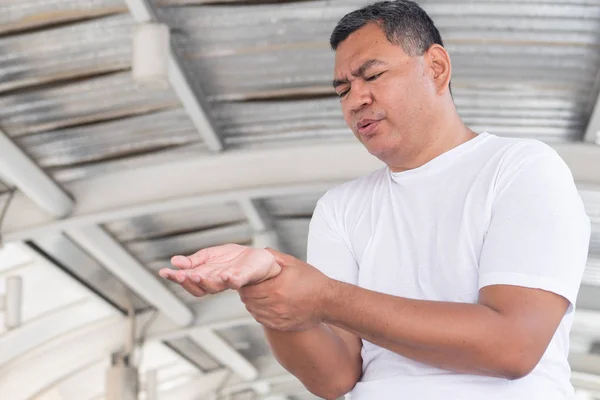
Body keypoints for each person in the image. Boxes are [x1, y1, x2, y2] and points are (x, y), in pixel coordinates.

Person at [159, 1, 591, 399]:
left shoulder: (520, 168)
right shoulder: (340, 208)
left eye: (372, 75)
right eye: (342, 89)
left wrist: (326, 297)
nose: (356, 100)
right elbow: (334, 377)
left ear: (436, 67)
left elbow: (512, 346)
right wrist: (269, 291)